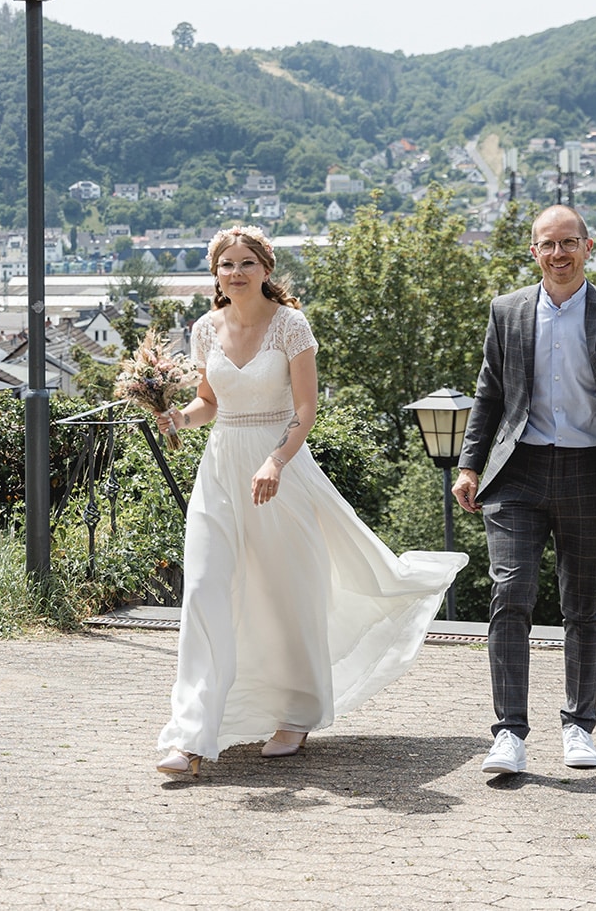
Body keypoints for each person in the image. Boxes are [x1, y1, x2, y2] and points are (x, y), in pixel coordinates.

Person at [153, 226, 467, 778]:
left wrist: (275, 461)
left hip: (281, 470)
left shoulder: (290, 326)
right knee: (203, 591)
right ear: (216, 274)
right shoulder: (204, 329)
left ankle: (295, 715)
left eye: (247, 262)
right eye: (226, 264)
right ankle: (192, 734)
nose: (236, 272)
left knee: (284, 594)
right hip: (221, 471)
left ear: (266, 270)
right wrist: (178, 418)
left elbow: (304, 408)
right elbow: (209, 403)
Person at [451, 204, 596, 775]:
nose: (558, 254)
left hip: (593, 474)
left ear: (587, 248)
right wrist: (470, 465)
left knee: (583, 606)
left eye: (569, 243)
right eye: (547, 245)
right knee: (510, 595)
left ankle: (577, 727)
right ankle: (508, 735)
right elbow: (489, 395)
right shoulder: (508, 312)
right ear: (534, 252)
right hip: (517, 473)